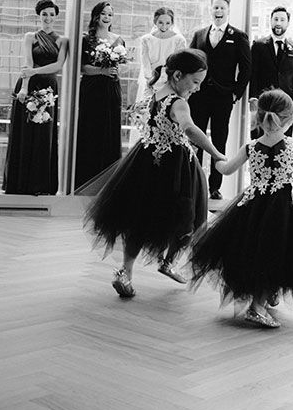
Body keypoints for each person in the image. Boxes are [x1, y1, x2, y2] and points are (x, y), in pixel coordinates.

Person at [189, 89, 293, 329]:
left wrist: (217, 159)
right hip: (288, 206)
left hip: (255, 203)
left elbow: (226, 170)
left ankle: (264, 298)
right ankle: (257, 308)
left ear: (259, 117)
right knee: (280, 252)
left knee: (257, 251)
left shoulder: (250, 147)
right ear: (290, 119)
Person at [83, 49, 224, 298]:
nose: (198, 89)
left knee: (140, 218)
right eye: (195, 83)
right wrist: (216, 153)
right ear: (178, 75)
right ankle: (168, 262)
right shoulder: (178, 103)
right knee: (187, 219)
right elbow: (189, 128)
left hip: (146, 161)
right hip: (174, 167)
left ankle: (125, 272)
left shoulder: (157, 94)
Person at [188, 0, 250, 199]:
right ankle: (193, 184)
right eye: (216, 7)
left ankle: (214, 187)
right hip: (199, 95)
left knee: (219, 140)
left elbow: (246, 68)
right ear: (210, 9)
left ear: (228, 11)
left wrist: (236, 94)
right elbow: (189, 63)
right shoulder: (199, 35)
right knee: (195, 140)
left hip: (224, 97)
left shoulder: (239, 36)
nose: (219, 11)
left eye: (222, 8)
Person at [4, 0, 68, 195]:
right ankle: (20, 183)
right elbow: (27, 63)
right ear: (39, 16)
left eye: (51, 14)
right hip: (29, 85)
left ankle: (40, 185)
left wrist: (34, 72)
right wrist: (24, 87)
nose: (48, 18)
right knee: (24, 132)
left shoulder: (62, 40)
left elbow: (59, 66)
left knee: (44, 135)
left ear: (56, 16)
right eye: (44, 14)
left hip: (49, 87)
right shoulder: (30, 36)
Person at [74, 1, 126, 189]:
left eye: (110, 15)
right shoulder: (86, 39)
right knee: (90, 129)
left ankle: (109, 181)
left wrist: (113, 69)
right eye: (103, 14)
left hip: (111, 89)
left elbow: (119, 66)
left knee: (110, 130)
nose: (107, 17)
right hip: (91, 89)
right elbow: (81, 67)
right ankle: (86, 178)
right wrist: (101, 71)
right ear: (96, 16)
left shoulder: (118, 40)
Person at [248, 6, 293, 138]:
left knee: (284, 143)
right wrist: (253, 98)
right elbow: (253, 74)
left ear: (288, 23)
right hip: (263, 102)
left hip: (286, 104)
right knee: (259, 139)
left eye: (282, 20)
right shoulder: (258, 45)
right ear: (271, 21)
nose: (278, 23)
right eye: (275, 19)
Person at [136, 7, 186, 103]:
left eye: (168, 23)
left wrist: (167, 79)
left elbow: (179, 63)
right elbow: (145, 61)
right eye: (160, 22)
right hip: (151, 80)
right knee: (147, 108)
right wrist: (150, 79)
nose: (164, 26)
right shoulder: (146, 39)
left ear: (172, 23)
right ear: (155, 21)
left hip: (170, 81)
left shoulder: (179, 40)